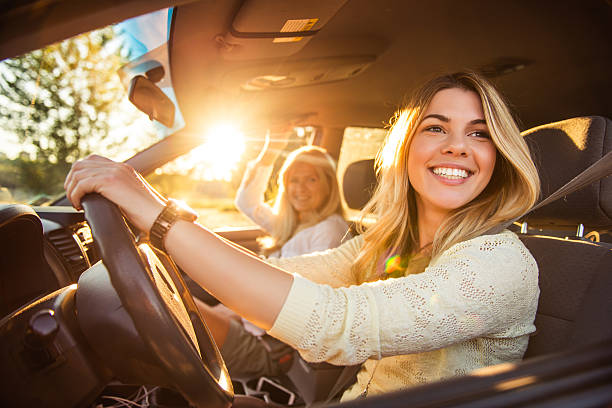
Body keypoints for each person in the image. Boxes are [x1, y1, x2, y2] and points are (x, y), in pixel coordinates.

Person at [64, 71, 541, 401]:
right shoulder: (389, 244)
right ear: (406, 150)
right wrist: (161, 248)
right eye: (436, 127)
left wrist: (158, 214)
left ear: (498, 156)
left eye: (479, 134)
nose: (457, 145)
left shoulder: (500, 263)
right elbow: (275, 274)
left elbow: (338, 326)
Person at [200, 134, 351, 379]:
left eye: (311, 179)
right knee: (178, 309)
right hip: (253, 324)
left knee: (175, 309)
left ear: (328, 185)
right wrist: (272, 150)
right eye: (293, 180)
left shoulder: (329, 230)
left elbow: (307, 300)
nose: (300, 189)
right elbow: (247, 202)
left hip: (274, 346)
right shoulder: (291, 224)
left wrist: (239, 308)